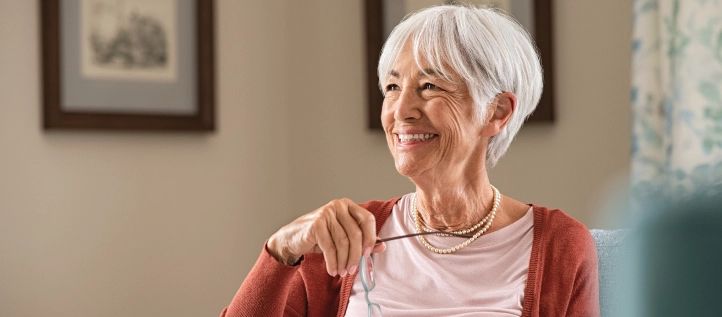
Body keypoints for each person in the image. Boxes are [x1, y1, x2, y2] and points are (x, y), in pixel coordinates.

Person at [221, 4, 599, 317]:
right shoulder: (344, 239)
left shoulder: (559, 246)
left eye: (430, 86)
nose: (401, 110)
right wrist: (281, 248)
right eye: (392, 87)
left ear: (496, 112)